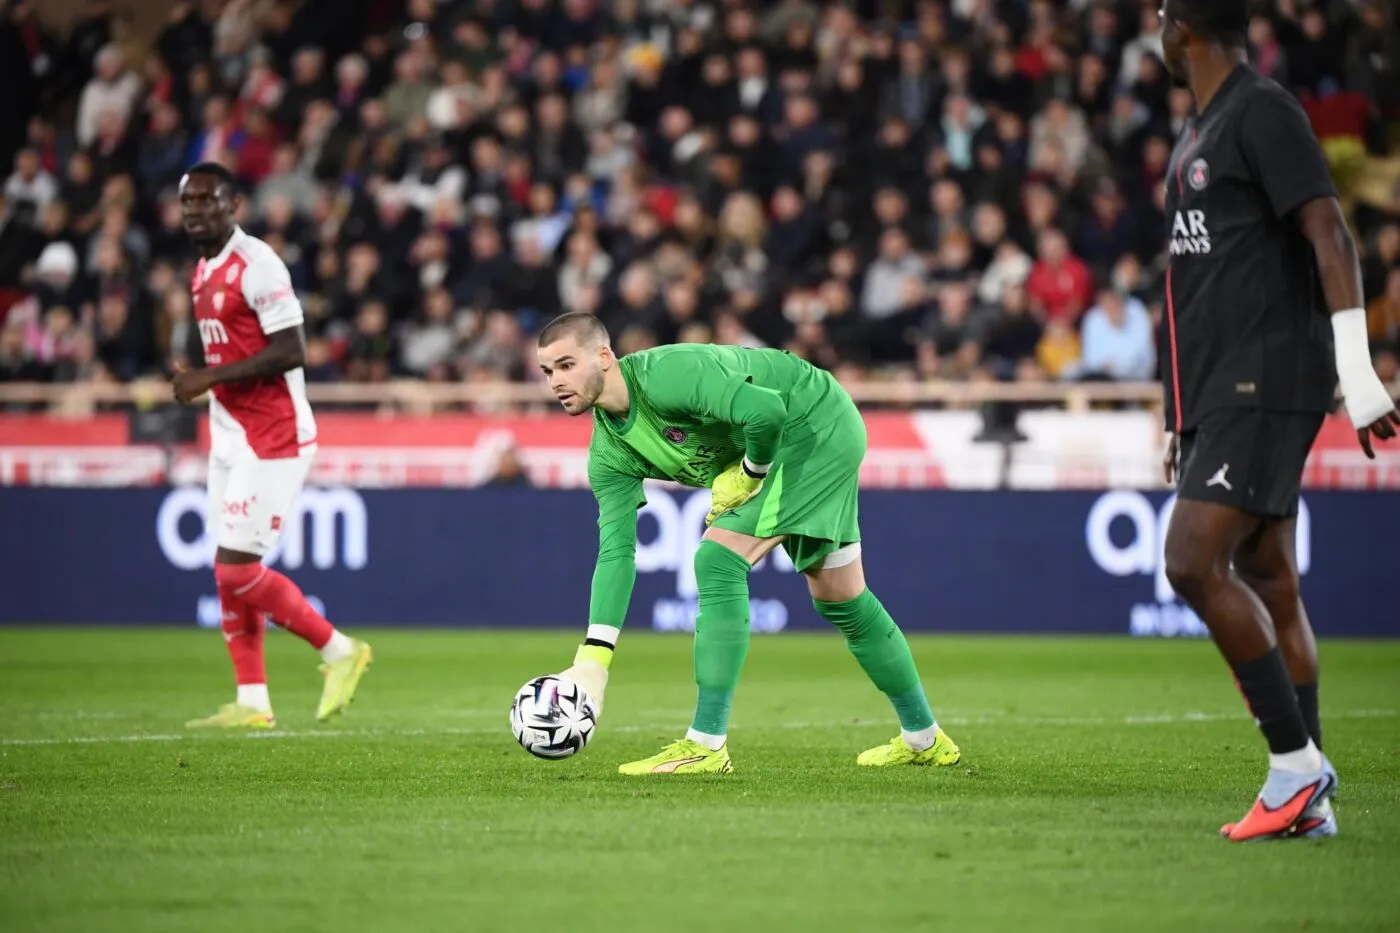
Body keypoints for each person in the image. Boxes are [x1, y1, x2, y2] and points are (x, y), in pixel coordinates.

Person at [1157, 0, 1399, 841]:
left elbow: (1329, 229)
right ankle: (1312, 801)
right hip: (1219, 389)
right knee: (1269, 576)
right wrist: (1172, 413)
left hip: (1265, 378)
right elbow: (1189, 294)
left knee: (1190, 559)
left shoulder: (1263, 111)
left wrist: (1358, 365)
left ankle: (1296, 766)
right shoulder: (1197, 136)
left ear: (1181, 26)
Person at [538, 312, 958, 775]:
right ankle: (924, 739)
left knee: (717, 559)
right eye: (547, 372)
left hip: (810, 423)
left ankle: (705, 743)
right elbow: (616, 552)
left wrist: (750, 473)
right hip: (808, 435)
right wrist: (593, 661)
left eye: (565, 364)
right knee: (842, 598)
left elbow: (767, 411)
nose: (556, 381)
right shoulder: (608, 455)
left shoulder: (668, 375)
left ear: (603, 356)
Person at [172, 162, 372, 729]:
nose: (194, 213)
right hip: (230, 434)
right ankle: (253, 701)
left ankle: (340, 650)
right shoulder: (203, 270)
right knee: (226, 568)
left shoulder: (256, 266)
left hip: (274, 434)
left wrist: (209, 378)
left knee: (237, 571)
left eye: (205, 202)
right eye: (187, 204)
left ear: (232, 203)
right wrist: (208, 382)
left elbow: (292, 350)